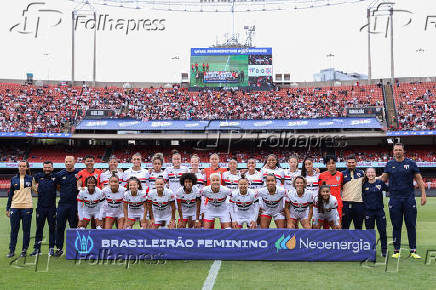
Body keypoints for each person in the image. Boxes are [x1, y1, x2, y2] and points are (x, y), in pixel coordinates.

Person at [380, 143, 427, 259]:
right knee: (396, 225)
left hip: (409, 199)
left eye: (400, 150)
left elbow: (419, 180)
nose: (398, 152)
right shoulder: (390, 164)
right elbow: (383, 179)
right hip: (394, 199)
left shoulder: (411, 163)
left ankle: (413, 250)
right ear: (393, 151)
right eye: (395, 150)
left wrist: (423, 195)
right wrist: (370, 178)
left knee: (411, 225)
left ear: (403, 151)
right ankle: (396, 250)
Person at [6, 160, 36, 258]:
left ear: (27, 168)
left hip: (27, 207)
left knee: (26, 230)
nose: (22, 168)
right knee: (14, 230)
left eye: (23, 166)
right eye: (20, 166)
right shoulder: (13, 179)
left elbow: (36, 190)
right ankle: (11, 250)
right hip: (15, 207)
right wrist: (8, 208)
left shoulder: (31, 179)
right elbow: (10, 195)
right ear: (18, 167)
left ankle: (24, 250)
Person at [53, 156, 80, 257]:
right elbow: (58, 187)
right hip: (62, 204)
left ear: (74, 162)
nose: (68, 163)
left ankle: (74, 249)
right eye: (66, 161)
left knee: (74, 227)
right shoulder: (60, 174)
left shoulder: (79, 173)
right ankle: (59, 248)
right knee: (60, 227)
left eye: (70, 161)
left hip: (75, 204)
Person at [30, 161, 57, 257]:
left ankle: (51, 249)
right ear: (43, 168)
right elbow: (33, 183)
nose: (47, 169)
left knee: (52, 229)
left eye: (49, 167)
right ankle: (37, 249)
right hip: (40, 207)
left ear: (52, 168)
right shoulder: (38, 176)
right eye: (45, 167)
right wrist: (36, 189)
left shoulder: (55, 177)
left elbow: (59, 187)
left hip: (52, 208)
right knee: (39, 229)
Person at [362, 168, 388, 257]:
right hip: (368, 212)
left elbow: (389, 189)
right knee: (370, 232)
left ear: (375, 173)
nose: (370, 174)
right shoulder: (363, 185)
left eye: (372, 172)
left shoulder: (380, 183)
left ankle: (384, 250)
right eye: (369, 172)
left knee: (383, 231)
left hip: (380, 211)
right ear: (366, 174)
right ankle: (371, 250)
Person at [318, 155, 343, 228]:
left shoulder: (340, 175)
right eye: (328, 163)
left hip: (337, 205)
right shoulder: (321, 176)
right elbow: (320, 190)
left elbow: (343, 187)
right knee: (326, 227)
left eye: (333, 163)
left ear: (336, 164)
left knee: (337, 227)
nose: (331, 165)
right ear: (326, 165)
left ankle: (337, 239)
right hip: (325, 204)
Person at [341, 154, 365, 229]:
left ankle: (358, 241)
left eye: (353, 162)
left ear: (356, 163)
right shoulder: (342, 174)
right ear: (346, 163)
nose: (351, 164)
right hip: (345, 204)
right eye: (349, 162)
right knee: (344, 227)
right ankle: (344, 241)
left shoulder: (362, 173)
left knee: (358, 227)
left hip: (359, 204)